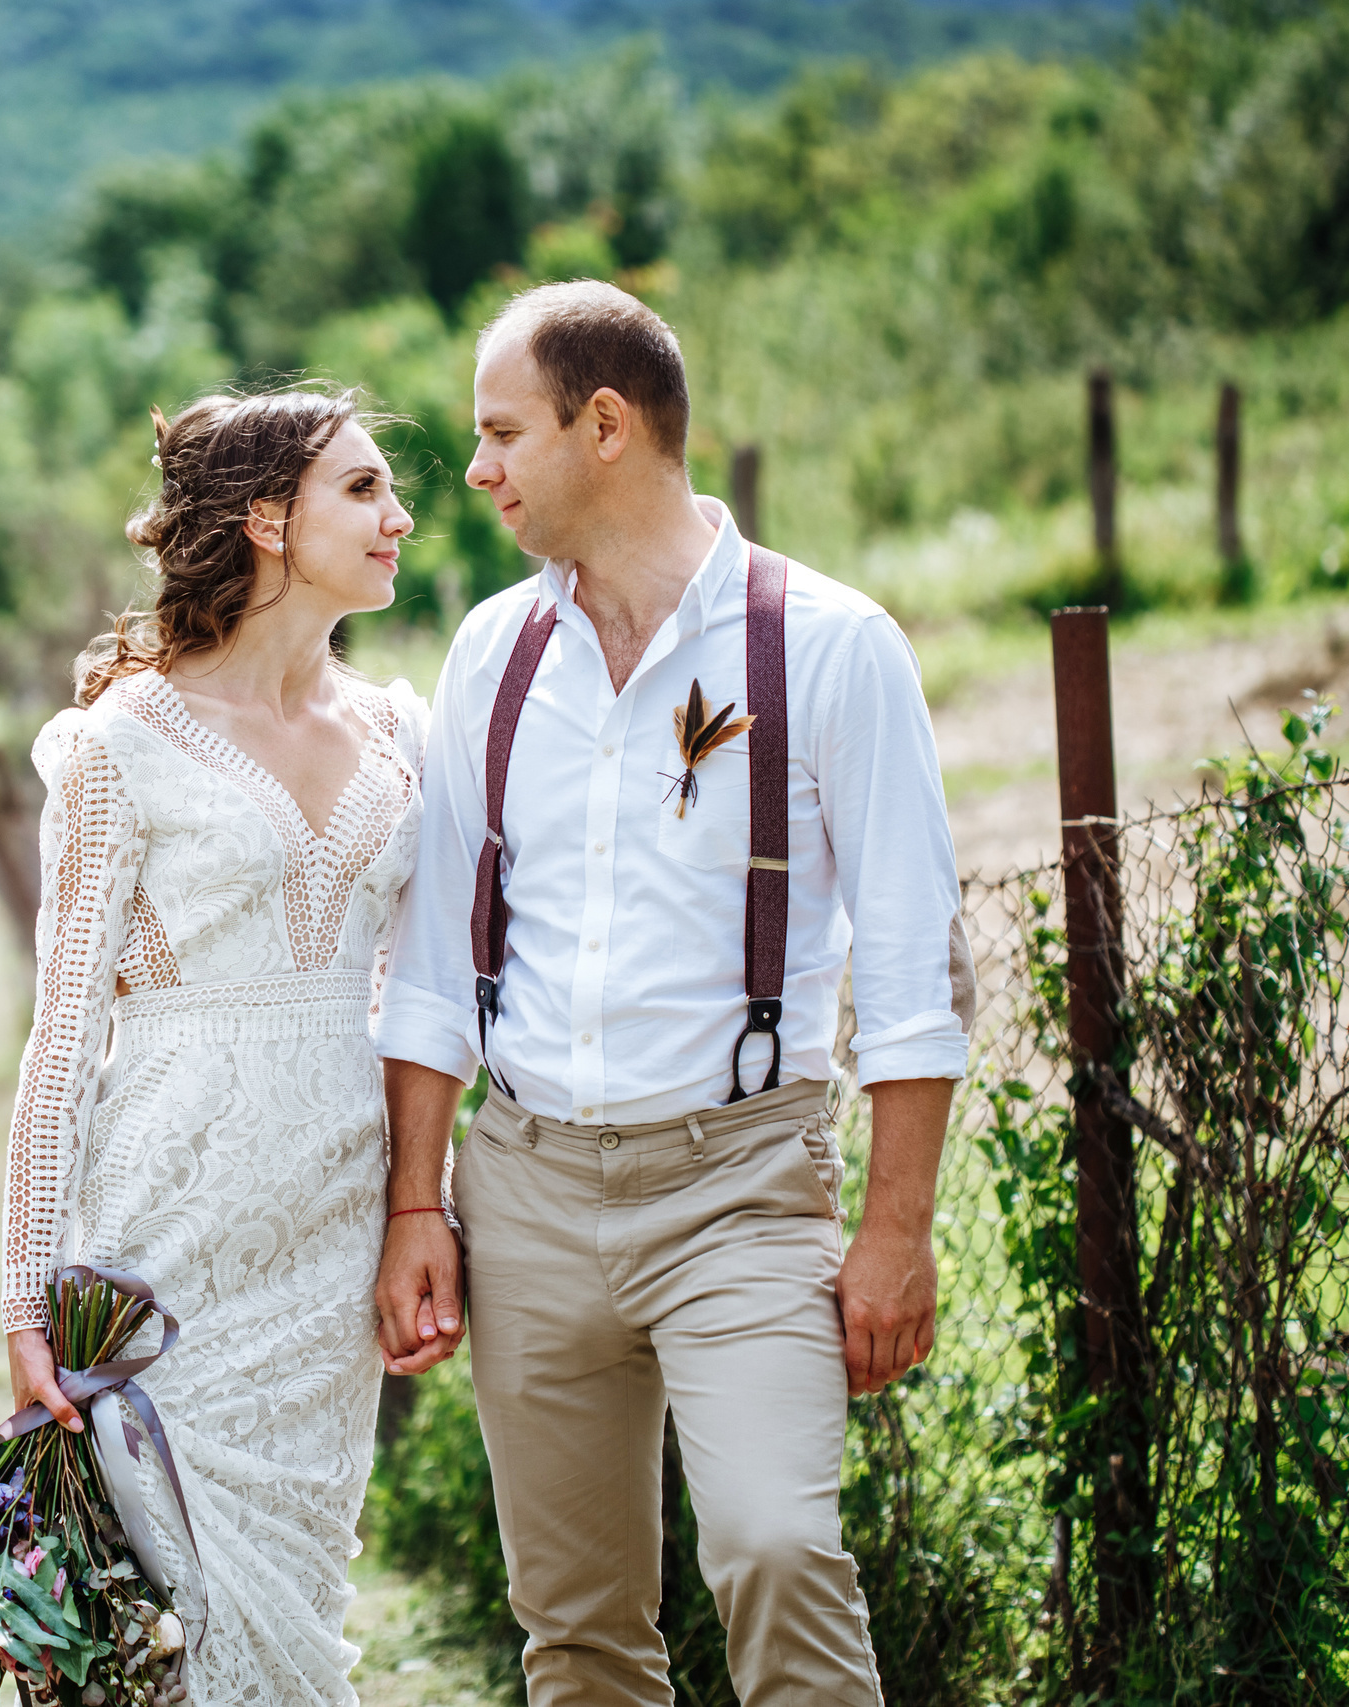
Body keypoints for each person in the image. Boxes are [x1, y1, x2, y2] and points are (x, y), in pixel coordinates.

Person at [371, 280, 972, 1705]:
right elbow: (438, 967)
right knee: (574, 1628)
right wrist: (418, 1204)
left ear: (605, 426)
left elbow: (910, 969)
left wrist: (895, 1232)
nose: (477, 471)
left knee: (774, 1547)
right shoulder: (492, 659)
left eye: (501, 433)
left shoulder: (830, 646)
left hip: (743, 1187)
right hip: (523, 1186)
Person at [2, 387, 424, 1705]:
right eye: (360, 489)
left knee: (297, 1605)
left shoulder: (403, 736)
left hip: (333, 1247)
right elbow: (61, 1037)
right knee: (174, 1631)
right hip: (165, 1254)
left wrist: (431, 1203)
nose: (398, 516)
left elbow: (424, 998)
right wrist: (24, 1293)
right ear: (264, 523)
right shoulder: (122, 745)